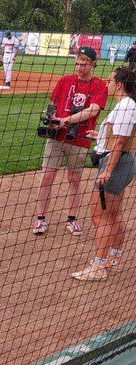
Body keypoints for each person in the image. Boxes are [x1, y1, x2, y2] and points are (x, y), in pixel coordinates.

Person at [33, 46, 108, 236]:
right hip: (57, 137)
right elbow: (53, 104)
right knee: (47, 177)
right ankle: (40, 219)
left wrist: (66, 120)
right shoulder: (65, 80)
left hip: (80, 139)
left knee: (74, 179)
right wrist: (51, 120)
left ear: (92, 64)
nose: (80, 66)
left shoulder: (100, 85)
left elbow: (93, 110)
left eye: (85, 62)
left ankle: (72, 219)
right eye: (78, 61)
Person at [72, 67, 136, 281]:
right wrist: (99, 138)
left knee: (99, 216)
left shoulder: (126, 106)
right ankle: (113, 258)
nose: (107, 84)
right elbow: (119, 137)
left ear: (119, 85)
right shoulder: (127, 106)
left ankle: (98, 266)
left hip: (116, 164)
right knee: (113, 214)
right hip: (124, 162)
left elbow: (120, 141)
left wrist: (108, 170)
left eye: (110, 81)